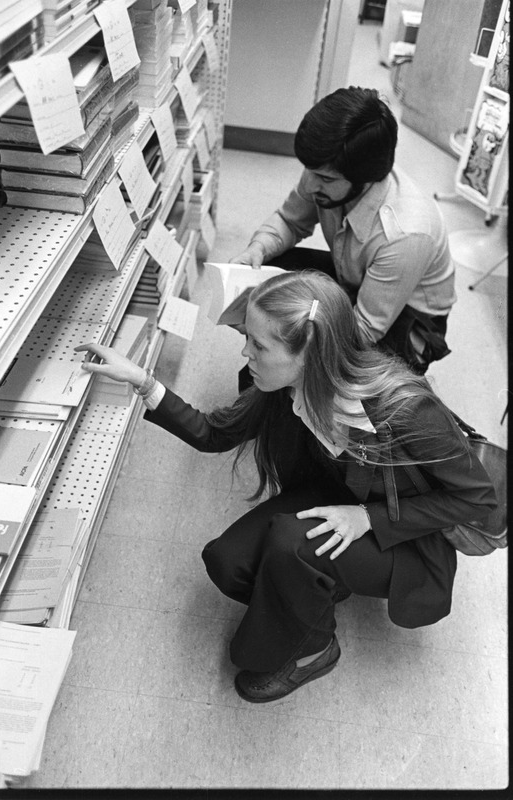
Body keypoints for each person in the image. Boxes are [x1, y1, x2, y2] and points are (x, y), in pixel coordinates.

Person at [75, 271, 496, 704]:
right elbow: (213, 433)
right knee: (227, 562)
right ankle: (320, 588)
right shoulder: (287, 385)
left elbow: (477, 498)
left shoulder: (403, 407)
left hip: (406, 537)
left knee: (292, 545)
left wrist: (365, 518)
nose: (245, 352)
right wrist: (143, 382)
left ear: (309, 352)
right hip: (341, 495)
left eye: (258, 345)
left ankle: (315, 649)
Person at [231, 86, 456, 377]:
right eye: (309, 171)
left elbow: (363, 331)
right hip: (354, 279)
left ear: (365, 180)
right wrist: (257, 249)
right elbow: (290, 221)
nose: (310, 185)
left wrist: (290, 342)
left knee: (314, 380)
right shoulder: (327, 169)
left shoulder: (405, 234)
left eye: (324, 178)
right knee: (268, 276)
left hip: (406, 320)